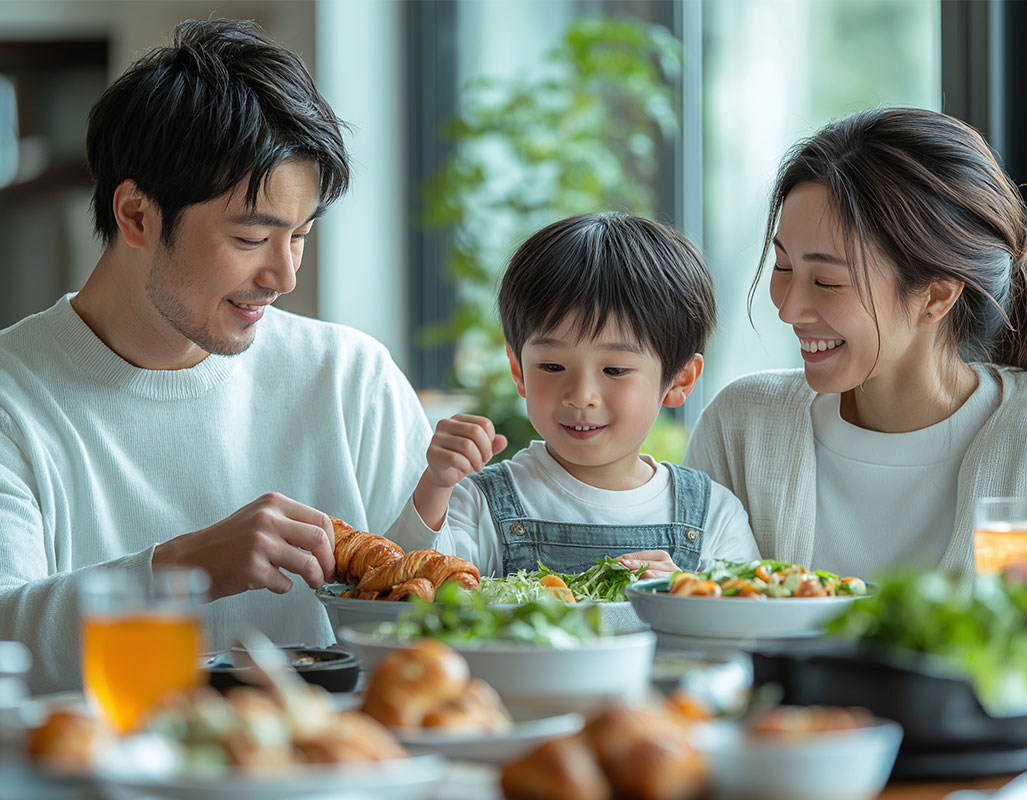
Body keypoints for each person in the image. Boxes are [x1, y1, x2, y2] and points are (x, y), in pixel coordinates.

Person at [0, 19, 431, 692]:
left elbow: (448, 615)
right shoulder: (14, 397)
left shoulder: (350, 379)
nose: (284, 277)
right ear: (136, 215)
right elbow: (5, 638)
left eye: (302, 236)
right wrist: (183, 569)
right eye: (252, 236)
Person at [684, 106, 1027, 579]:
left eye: (826, 281)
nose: (787, 309)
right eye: (784, 268)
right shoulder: (742, 427)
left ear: (937, 295)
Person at [385, 212, 759, 578]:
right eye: (551, 367)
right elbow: (401, 588)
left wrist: (688, 593)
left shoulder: (713, 515)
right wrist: (436, 482)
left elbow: (746, 622)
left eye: (614, 370)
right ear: (519, 371)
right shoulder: (482, 502)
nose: (581, 397)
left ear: (679, 380)